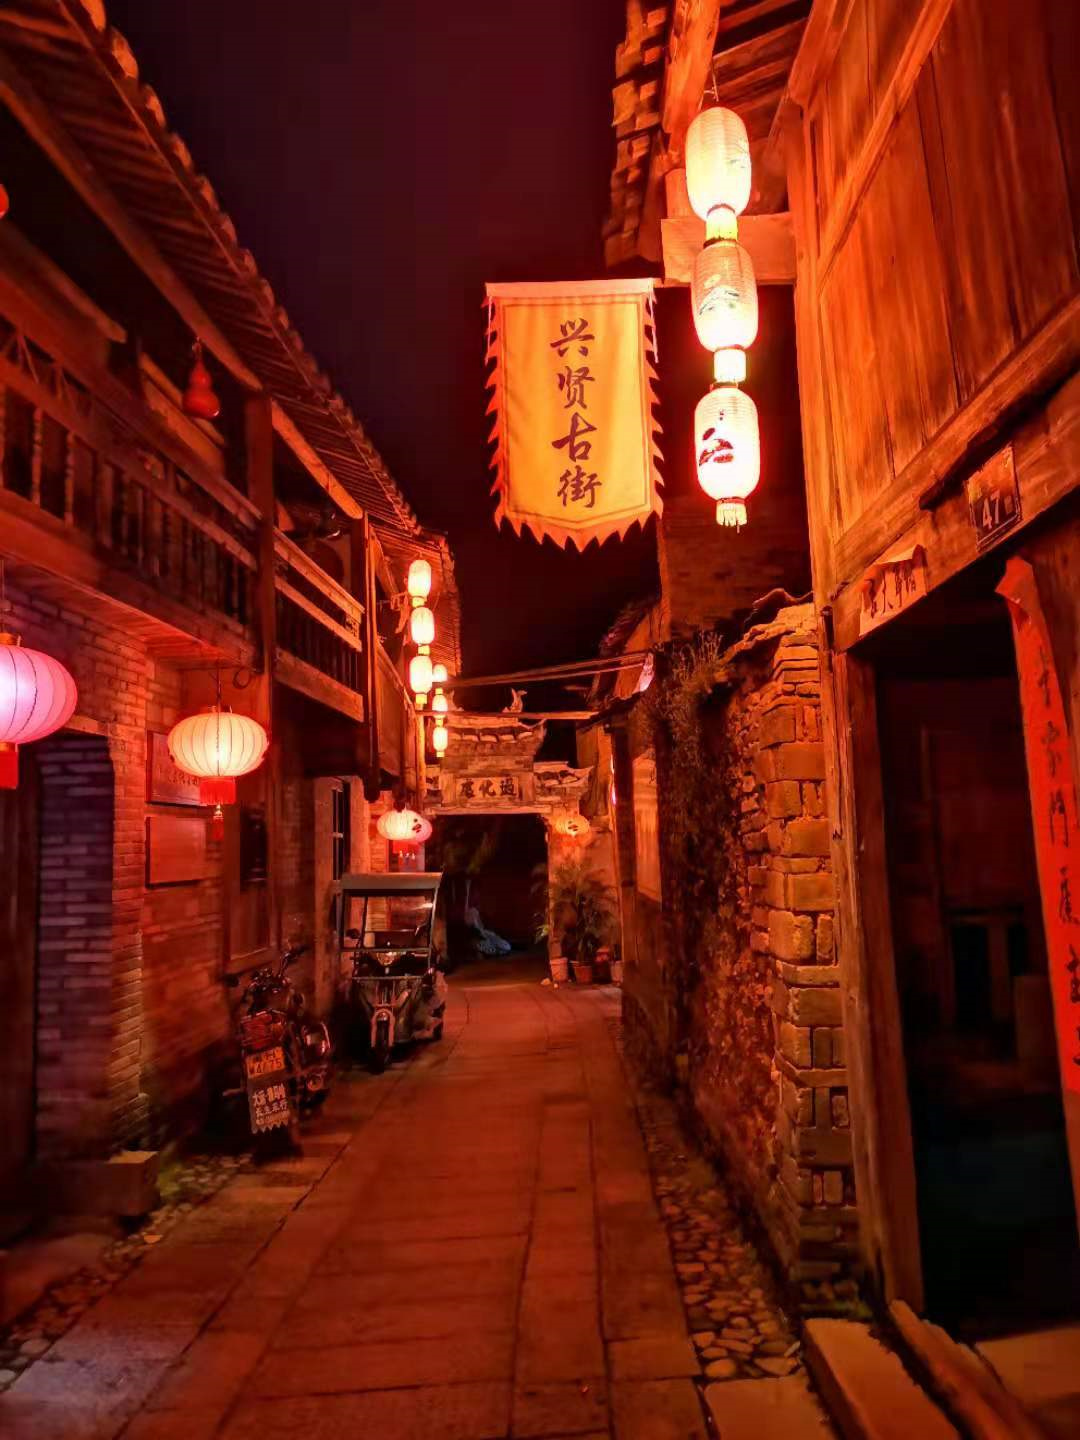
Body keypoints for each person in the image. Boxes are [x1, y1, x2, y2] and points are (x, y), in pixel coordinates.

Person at [463, 887, 512, 956]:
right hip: (480, 938)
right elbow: (474, 929)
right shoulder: (471, 912)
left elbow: (484, 928)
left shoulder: (480, 912)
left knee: (506, 946)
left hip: (486, 937)